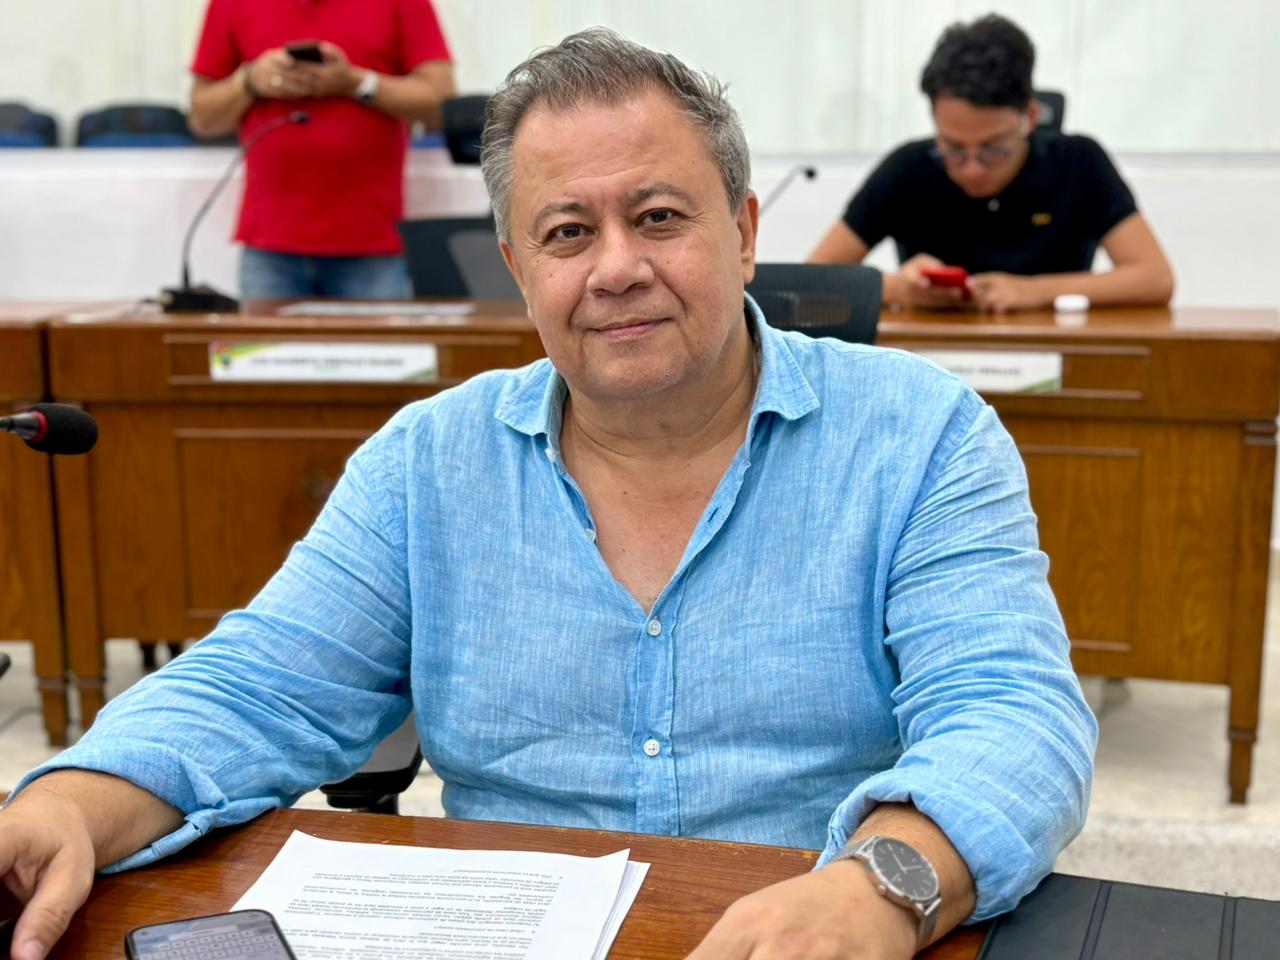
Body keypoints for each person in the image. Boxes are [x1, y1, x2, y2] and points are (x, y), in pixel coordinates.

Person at [0, 29, 1095, 960]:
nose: (614, 268)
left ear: (744, 233)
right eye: (568, 232)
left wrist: (879, 889)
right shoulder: (428, 460)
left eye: (658, 217)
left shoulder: (920, 435)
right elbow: (258, 688)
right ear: (519, 268)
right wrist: (65, 805)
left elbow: (1012, 715)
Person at [809, 14, 1175, 313]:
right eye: (953, 148)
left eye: (993, 150)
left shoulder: (1078, 163)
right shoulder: (908, 168)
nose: (971, 168)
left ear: (1029, 117)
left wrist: (1033, 292)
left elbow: (1155, 278)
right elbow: (809, 281)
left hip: (1054, 356)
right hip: (932, 359)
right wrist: (896, 288)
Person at [186, 0, 456, 299]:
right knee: (261, 333)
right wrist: (249, 81)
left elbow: (441, 105)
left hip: (371, 243)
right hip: (269, 245)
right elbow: (203, 119)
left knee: (378, 334)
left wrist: (355, 83)